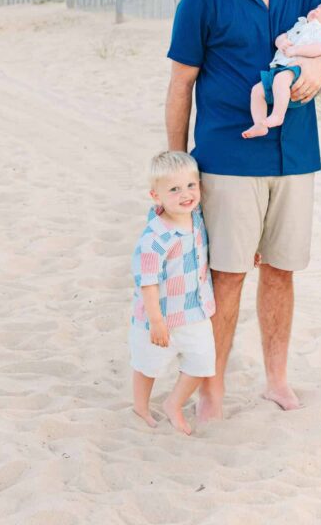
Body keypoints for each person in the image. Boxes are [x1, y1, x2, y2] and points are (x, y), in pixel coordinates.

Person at [166, 0, 321, 420]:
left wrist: (320, 69)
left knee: (282, 271)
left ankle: (276, 379)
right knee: (228, 275)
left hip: (294, 157)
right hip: (228, 159)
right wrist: (178, 166)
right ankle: (212, 389)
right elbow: (180, 87)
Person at [130, 151, 216, 435]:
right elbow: (148, 281)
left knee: (202, 363)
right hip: (160, 318)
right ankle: (140, 405)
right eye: (175, 189)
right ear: (157, 196)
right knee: (148, 365)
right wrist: (156, 320)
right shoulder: (155, 237)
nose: (185, 194)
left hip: (195, 311)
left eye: (191, 185)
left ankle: (173, 403)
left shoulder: (198, 219)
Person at [243, 0, 321, 138]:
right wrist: (281, 42)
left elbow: (319, 49)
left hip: (298, 72)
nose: (318, 10)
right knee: (257, 91)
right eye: (318, 7)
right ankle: (260, 124)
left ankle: (278, 115)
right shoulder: (302, 25)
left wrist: (296, 50)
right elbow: (284, 36)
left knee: (281, 79)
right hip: (279, 69)